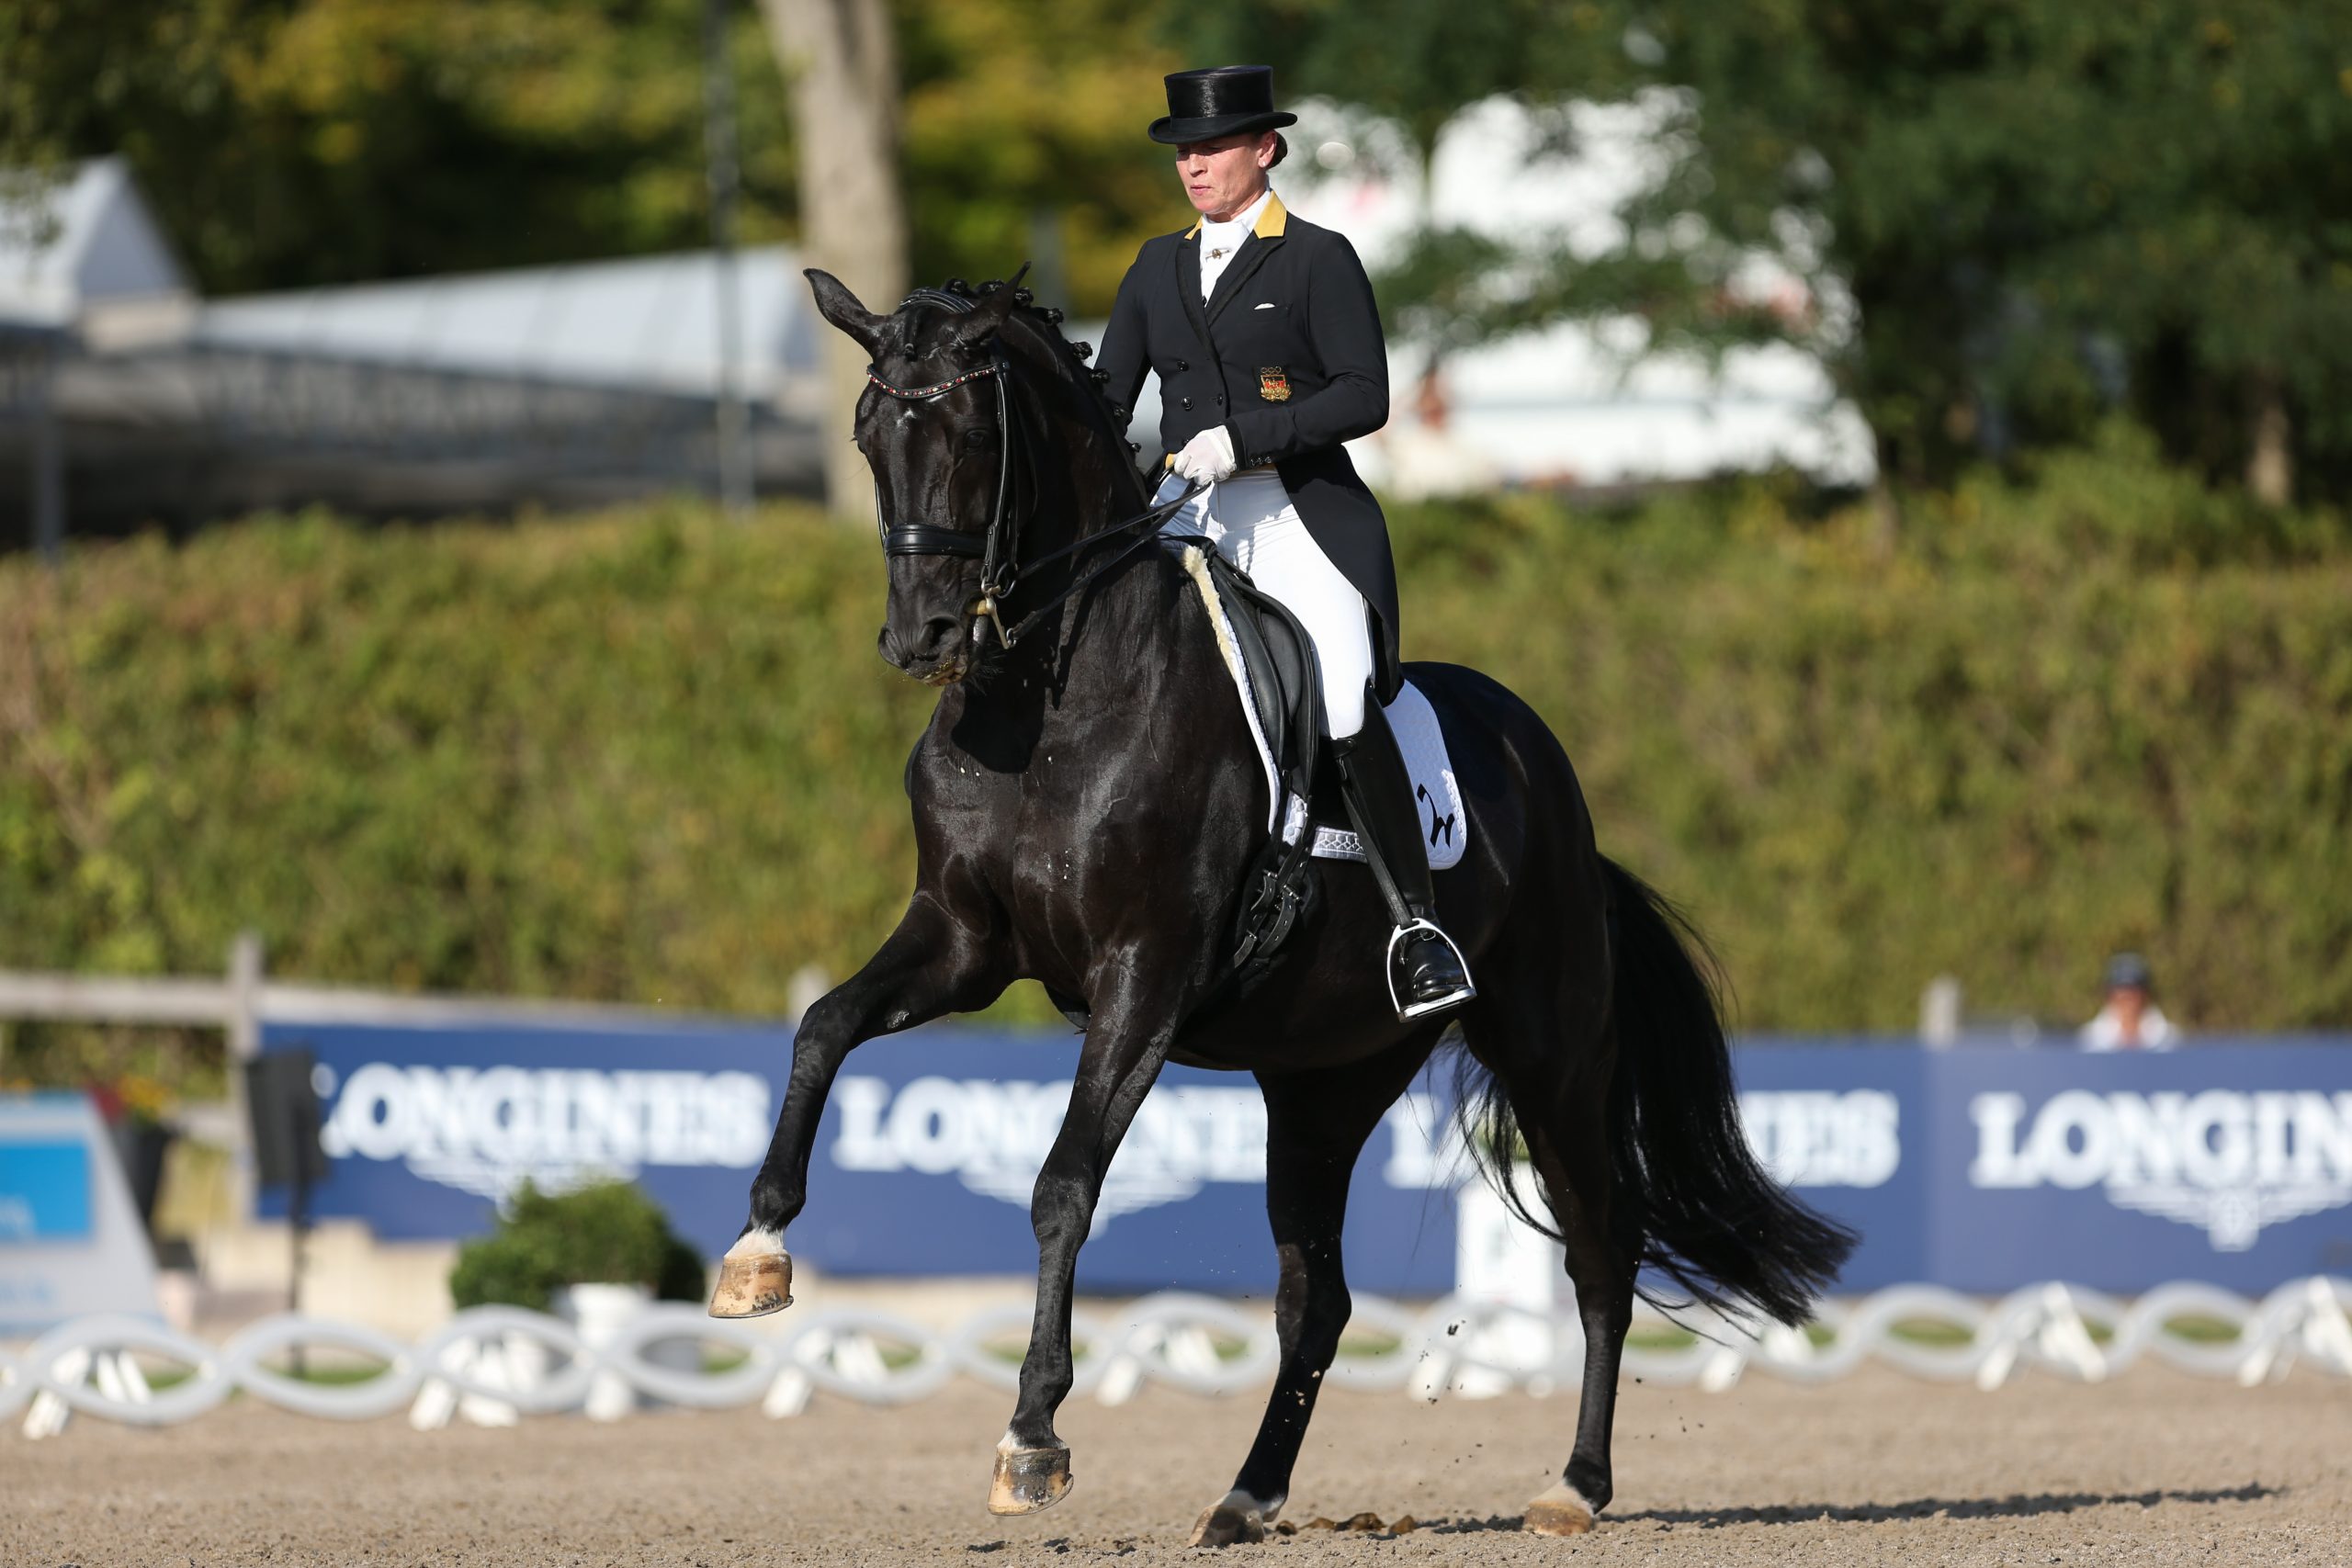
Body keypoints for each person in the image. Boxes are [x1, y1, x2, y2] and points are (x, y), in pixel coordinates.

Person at [1093, 64, 1475, 1021]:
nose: (1194, 165)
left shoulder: (1316, 257)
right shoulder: (1152, 267)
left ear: (1264, 148)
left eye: (1212, 147)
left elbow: (1363, 396)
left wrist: (1246, 437)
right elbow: (1108, 401)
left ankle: (1414, 927)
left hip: (1294, 511)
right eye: (1183, 151)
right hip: (1185, 511)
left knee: (1341, 692)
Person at [2078, 953, 2178, 1051]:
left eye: (2133, 991)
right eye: (2120, 991)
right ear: (2109, 996)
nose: (2127, 998)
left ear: (2146, 995)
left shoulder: (2169, 1039)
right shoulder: (2090, 1039)